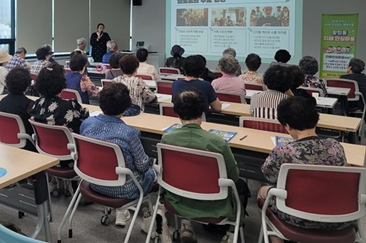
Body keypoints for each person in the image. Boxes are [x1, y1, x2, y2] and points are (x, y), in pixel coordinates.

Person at [258, 97, 348, 241]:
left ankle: (277, 238)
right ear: (316, 120)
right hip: (339, 215)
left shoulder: (283, 151)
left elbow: (268, 175)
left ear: (288, 126)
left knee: (263, 190)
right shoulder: (336, 146)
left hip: (294, 216)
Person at [161, 89, 245, 243]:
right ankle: (231, 234)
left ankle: (186, 225)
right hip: (213, 205)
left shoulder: (167, 139)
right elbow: (233, 176)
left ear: (177, 114)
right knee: (242, 187)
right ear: (202, 112)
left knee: (187, 176)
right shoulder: (218, 142)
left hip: (177, 200)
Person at [80, 83, 156, 228]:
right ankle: (150, 218)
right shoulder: (129, 133)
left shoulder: (87, 124)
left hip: (94, 182)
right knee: (153, 173)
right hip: (125, 189)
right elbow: (142, 166)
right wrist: (151, 161)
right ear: (126, 107)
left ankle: (123, 212)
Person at [30, 63, 89, 133]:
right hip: (69, 139)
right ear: (62, 84)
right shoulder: (70, 105)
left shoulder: (35, 105)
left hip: (44, 139)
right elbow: (85, 116)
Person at [0, 67, 35, 151]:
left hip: (4, 142)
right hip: (26, 145)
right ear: (27, 85)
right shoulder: (29, 104)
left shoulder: (2, 102)